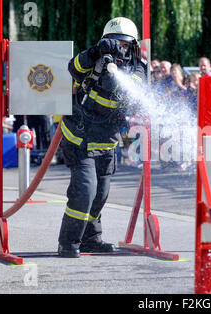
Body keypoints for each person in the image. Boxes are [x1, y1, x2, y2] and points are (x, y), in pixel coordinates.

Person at [57, 17, 146, 258]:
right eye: (114, 43)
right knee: (85, 190)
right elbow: (73, 68)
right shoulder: (95, 57)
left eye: (125, 45)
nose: (120, 49)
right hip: (80, 137)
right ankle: (68, 243)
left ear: (133, 46)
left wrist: (115, 85)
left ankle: (91, 239)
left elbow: (136, 94)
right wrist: (95, 52)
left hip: (107, 141)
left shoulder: (139, 67)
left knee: (100, 194)